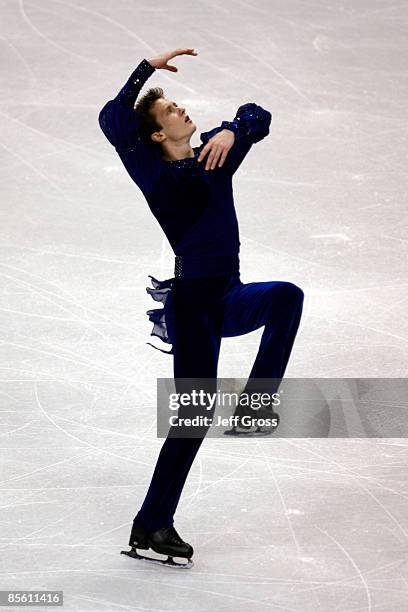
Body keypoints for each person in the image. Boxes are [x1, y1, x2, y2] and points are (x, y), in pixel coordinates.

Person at [98, 48, 304, 568]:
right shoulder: (152, 173)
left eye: (176, 105)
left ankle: (257, 406)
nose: (181, 111)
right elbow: (111, 117)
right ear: (156, 135)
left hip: (229, 294)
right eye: (170, 111)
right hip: (193, 306)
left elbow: (261, 115)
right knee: (191, 420)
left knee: (286, 296)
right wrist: (146, 67)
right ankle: (152, 524)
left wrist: (236, 128)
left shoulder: (215, 154)